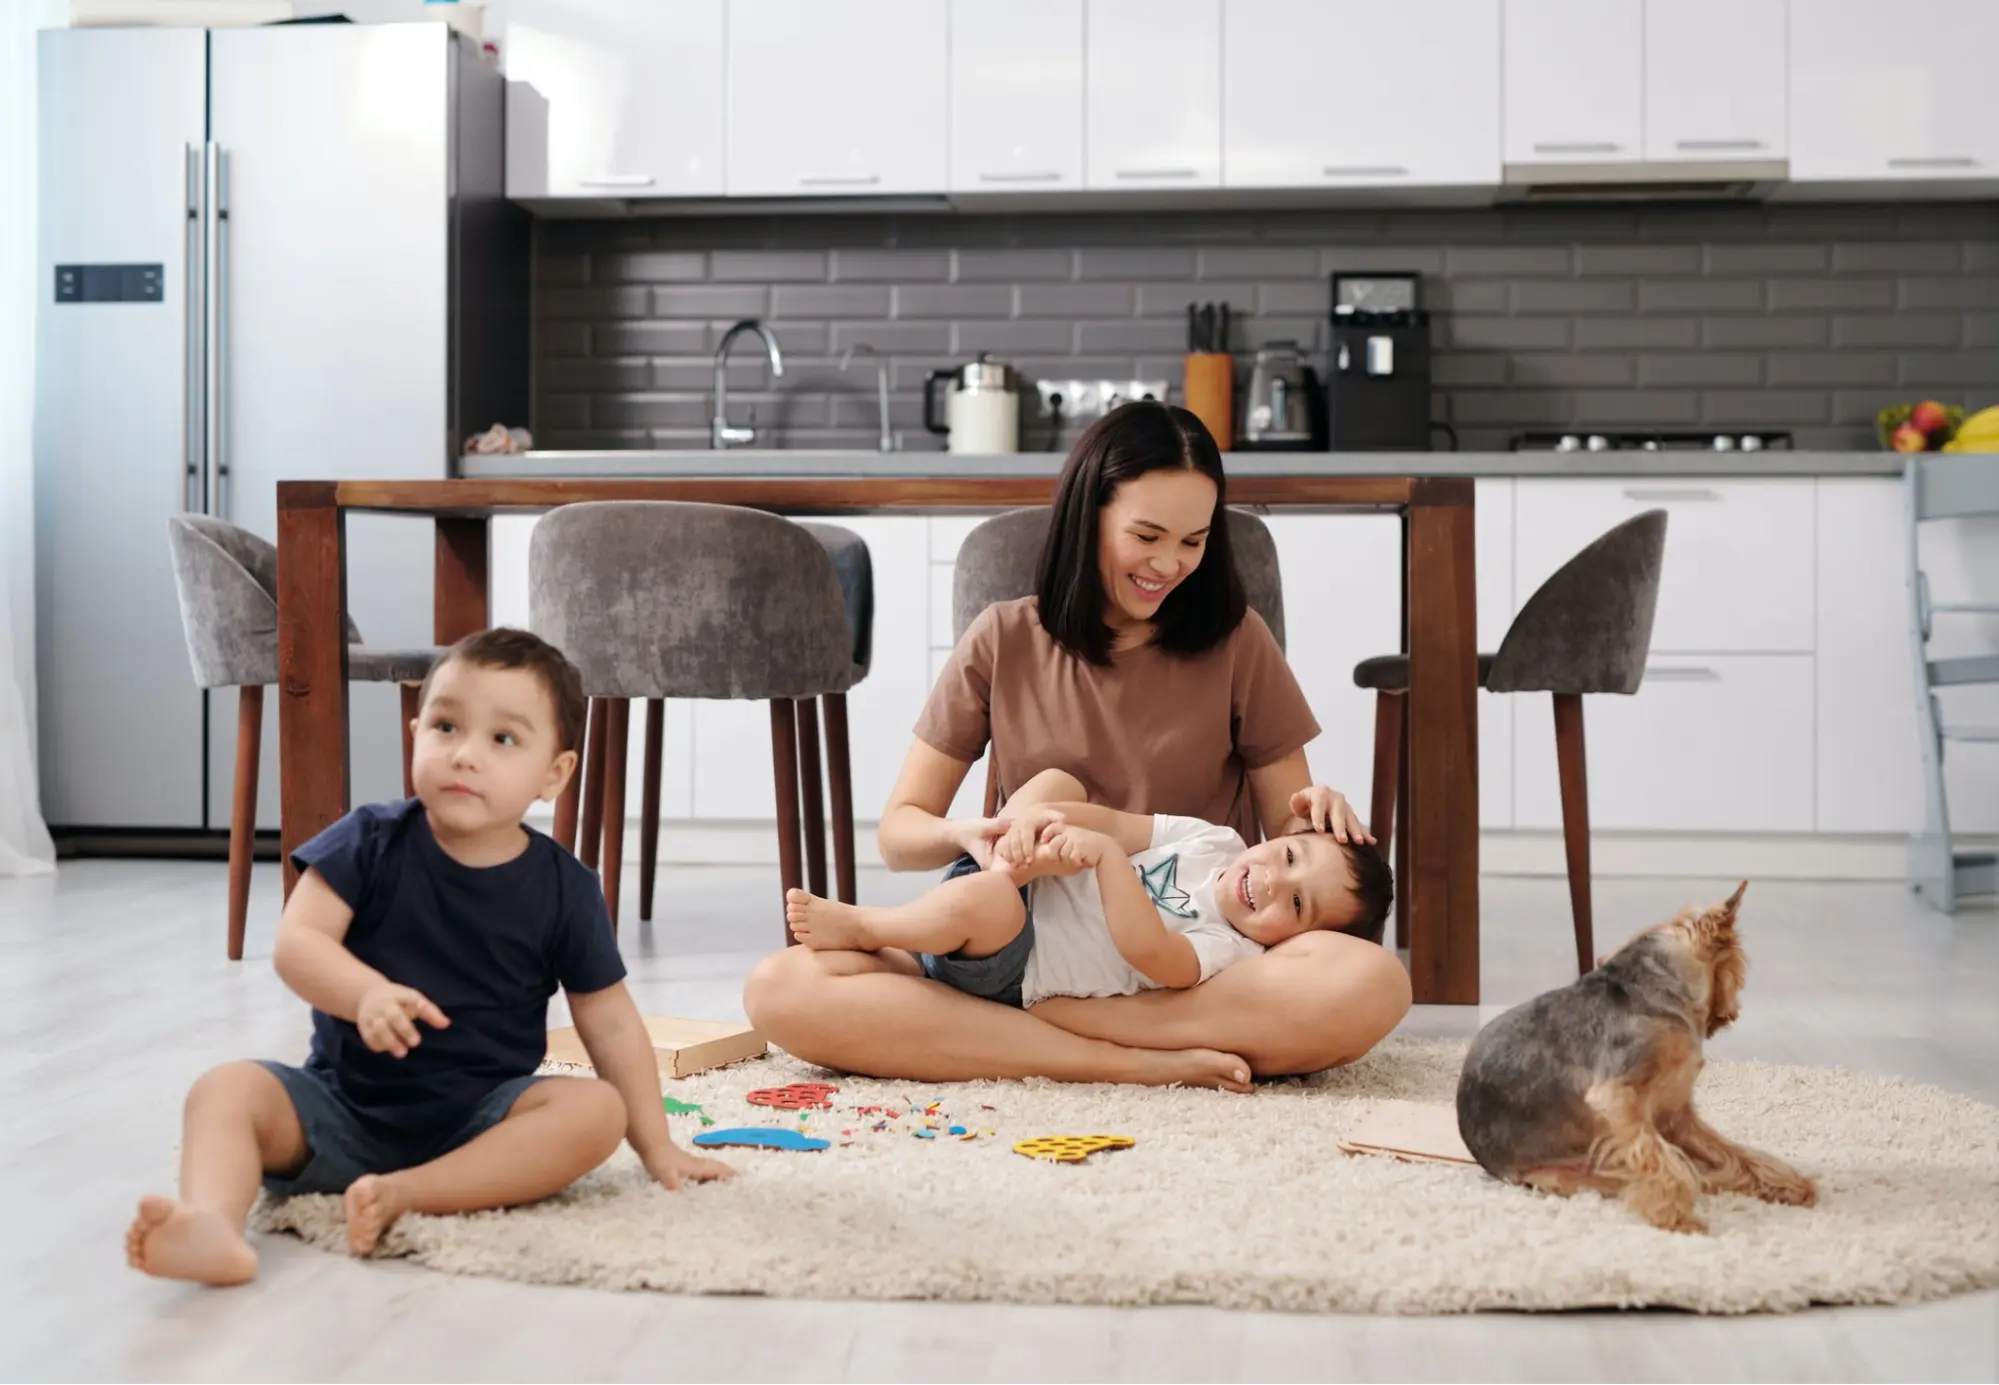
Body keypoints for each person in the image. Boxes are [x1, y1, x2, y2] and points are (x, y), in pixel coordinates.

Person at [745, 401, 1413, 1089]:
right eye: (1146, 534)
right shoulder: (1002, 637)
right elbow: (899, 836)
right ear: (1087, 514)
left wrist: (1317, 813)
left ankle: (1060, 1036)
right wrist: (968, 832)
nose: (1168, 563)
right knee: (780, 986)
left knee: (1374, 980)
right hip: (1023, 945)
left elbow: (1288, 860)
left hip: (1178, 974)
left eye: (1192, 540)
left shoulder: (1238, 642)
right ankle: (1116, 1060)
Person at [126, 628, 732, 1287]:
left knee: (596, 1112)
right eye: (445, 726)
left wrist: (655, 1145)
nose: (465, 754)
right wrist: (363, 993)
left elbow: (611, 1023)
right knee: (226, 1088)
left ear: (553, 774)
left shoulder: (566, 888)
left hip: (482, 1124)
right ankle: (210, 1224)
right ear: (417, 733)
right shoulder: (370, 840)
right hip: (340, 1107)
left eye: (502, 739)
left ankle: (410, 1191)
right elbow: (297, 943)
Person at [785, 768, 1395, 1026]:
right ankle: (982, 871)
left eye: (1295, 906)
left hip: (1014, 962)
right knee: (1055, 782)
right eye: (1289, 858)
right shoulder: (1219, 840)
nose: (1271, 883)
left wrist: (1103, 860)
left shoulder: (1232, 951)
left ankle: (870, 926)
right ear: (1284, 837)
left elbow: (1150, 952)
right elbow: (1117, 822)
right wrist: (1043, 826)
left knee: (991, 903)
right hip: (1015, 876)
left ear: (1298, 942)